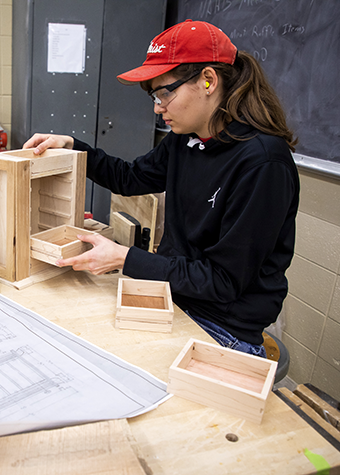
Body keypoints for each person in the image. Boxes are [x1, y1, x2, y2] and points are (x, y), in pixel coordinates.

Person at [22, 20, 299, 358]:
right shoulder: (185, 140)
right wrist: (73, 146)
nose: (157, 107)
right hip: (173, 297)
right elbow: (129, 177)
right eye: (154, 95)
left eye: (165, 92)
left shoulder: (263, 164)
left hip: (221, 328)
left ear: (208, 80)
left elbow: (222, 282)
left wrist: (124, 257)